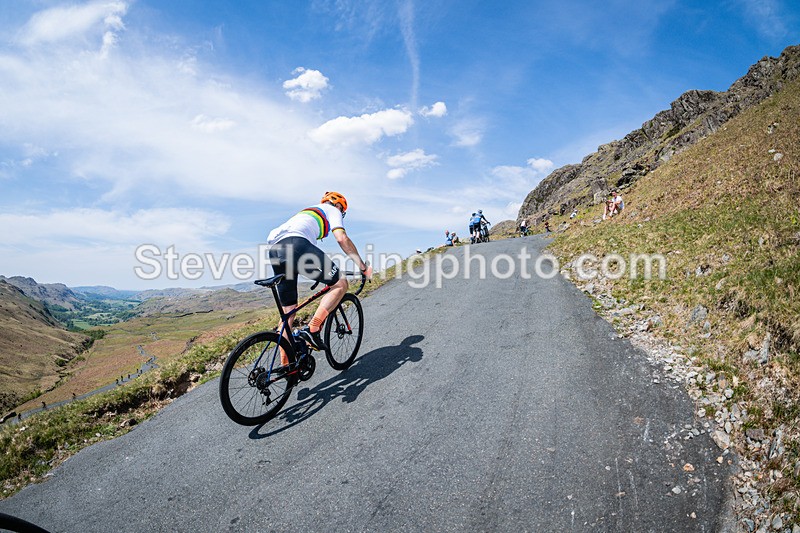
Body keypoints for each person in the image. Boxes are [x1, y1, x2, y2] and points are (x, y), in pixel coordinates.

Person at [267, 191, 373, 361]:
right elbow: (341, 238)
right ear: (339, 206)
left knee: (288, 314)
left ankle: (287, 368)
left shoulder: (306, 213)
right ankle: (313, 329)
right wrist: (362, 267)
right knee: (340, 284)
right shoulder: (332, 210)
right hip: (296, 244)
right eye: (341, 210)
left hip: (275, 250)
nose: (340, 213)